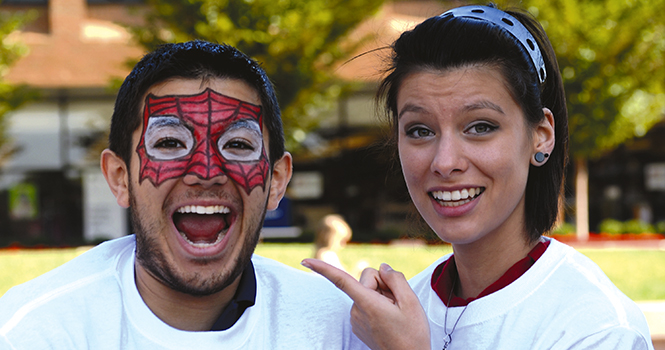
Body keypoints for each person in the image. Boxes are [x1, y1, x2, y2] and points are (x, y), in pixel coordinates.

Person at [303, 4, 654, 350]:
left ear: (541, 135)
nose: (445, 162)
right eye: (420, 130)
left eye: (481, 127)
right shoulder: (388, 317)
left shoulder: (597, 329)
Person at [0, 41, 359, 349]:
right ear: (120, 177)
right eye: (170, 143)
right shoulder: (36, 332)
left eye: (237, 144)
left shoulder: (340, 326)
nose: (206, 172)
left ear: (276, 180)